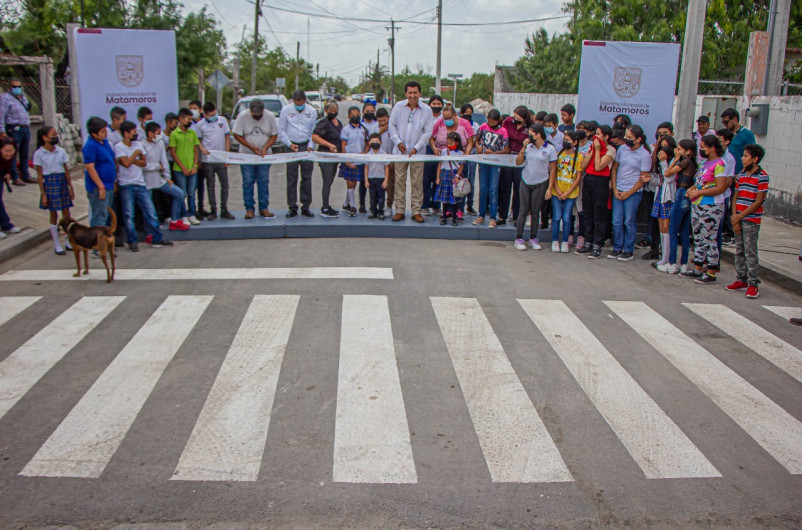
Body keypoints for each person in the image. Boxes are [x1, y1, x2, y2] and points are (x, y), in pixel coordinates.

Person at [114, 121, 172, 251]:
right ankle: (132, 241)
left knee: (150, 211)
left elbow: (143, 163)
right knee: (129, 214)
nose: (135, 134)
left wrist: (131, 159)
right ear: (126, 134)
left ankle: (157, 237)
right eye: (133, 132)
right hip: (126, 184)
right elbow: (126, 163)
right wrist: (135, 155)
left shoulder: (138, 144)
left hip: (140, 183)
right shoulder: (118, 147)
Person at [681, 134, 730, 283]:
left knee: (710, 238)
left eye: (703, 147)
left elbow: (720, 187)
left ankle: (711, 272)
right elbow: (700, 182)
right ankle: (697, 267)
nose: (701, 150)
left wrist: (699, 192)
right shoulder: (704, 164)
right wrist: (692, 189)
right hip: (698, 203)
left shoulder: (720, 164)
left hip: (712, 205)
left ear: (712, 148)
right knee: (698, 236)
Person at [726, 144, 768, 299]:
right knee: (739, 249)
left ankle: (753, 283)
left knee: (750, 250)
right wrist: (734, 216)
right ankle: (740, 278)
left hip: (751, 219)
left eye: (745, 156)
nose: (742, 159)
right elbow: (735, 196)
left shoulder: (762, 176)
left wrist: (740, 216)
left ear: (755, 159)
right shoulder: (742, 174)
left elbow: (758, 201)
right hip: (739, 217)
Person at [388, 81, 434, 223]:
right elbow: (392, 125)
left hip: (418, 153)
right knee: (399, 181)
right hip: (400, 151)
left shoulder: (426, 110)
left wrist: (416, 147)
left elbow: (428, 132)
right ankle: (400, 210)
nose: (412, 95)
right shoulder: (399, 107)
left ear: (419, 93)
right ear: (406, 94)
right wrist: (398, 142)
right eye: (410, 93)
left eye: (415, 93)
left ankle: (416, 211)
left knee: (417, 182)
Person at [609, 125, 651, 261]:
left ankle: (628, 250)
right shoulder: (622, 149)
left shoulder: (644, 155)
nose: (626, 139)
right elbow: (614, 169)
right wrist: (615, 188)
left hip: (633, 192)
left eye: (629, 137)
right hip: (619, 189)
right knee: (616, 221)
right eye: (626, 136)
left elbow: (643, 179)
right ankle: (617, 247)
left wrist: (628, 192)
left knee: (629, 221)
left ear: (638, 139)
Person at [232, 99, 278, 219]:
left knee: (263, 181)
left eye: (259, 114)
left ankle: (264, 207)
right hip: (247, 155)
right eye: (254, 115)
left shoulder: (270, 116)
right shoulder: (242, 116)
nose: (257, 116)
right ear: (250, 111)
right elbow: (236, 134)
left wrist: (265, 147)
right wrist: (251, 147)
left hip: (264, 156)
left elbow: (274, 135)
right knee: (248, 181)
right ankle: (249, 208)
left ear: (263, 110)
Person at [657, 140, 698, 274]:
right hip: (688, 195)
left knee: (673, 229)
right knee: (684, 231)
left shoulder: (685, 161)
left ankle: (672, 263)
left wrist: (676, 160)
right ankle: (684, 263)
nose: (677, 152)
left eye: (680, 149)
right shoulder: (692, 163)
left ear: (688, 151)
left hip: (681, 193)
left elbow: (668, 173)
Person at [513, 124, 556, 250]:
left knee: (536, 212)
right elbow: (518, 162)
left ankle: (533, 238)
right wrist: (523, 148)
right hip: (526, 181)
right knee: (523, 211)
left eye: (531, 134)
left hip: (541, 182)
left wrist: (550, 188)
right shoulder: (528, 147)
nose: (529, 136)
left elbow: (553, 170)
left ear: (538, 134)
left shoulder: (550, 149)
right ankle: (519, 238)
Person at [430, 103, 474, 223]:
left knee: (459, 188)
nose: (447, 120)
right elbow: (431, 138)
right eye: (445, 118)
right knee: (445, 191)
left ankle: (459, 212)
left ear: (455, 115)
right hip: (445, 162)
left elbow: (471, 141)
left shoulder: (464, 124)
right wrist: (435, 148)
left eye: (449, 118)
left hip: (459, 160)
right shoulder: (439, 123)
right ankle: (446, 212)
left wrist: (466, 154)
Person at [577, 125, 616, 259]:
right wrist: (593, 151)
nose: (596, 137)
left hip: (601, 181)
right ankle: (588, 241)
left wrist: (598, 150)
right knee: (587, 211)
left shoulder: (611, 150)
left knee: (599, 213)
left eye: (599, 134)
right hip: (589, 179)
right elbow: (583, 165)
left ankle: (597, 243)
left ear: (606, 137)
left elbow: (599, 166)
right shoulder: (592, 147)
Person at [142, 121, 189, 231]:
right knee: (148, 208)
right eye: (157, 133)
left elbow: (164, 161)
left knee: (179, 193)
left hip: (160, 179)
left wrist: (168, 178)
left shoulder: (160, 143)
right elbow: (144, 165)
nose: (159, 136)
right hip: (146, 182)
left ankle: (174, 220)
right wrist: (157, 166)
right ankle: (150, 230)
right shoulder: (142, 145)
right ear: (150, 133)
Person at [33, 125, 73, 254]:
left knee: (66, 213)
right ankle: (57, 243)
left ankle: (68, 240)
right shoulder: (39, 154)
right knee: (53, 213)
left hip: (61, 181)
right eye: (53, 135)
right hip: (50, 182)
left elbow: (66, 169)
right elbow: (39, 175)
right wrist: (43, 194)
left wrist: (70, 186)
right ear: (44, 137)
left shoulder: (60, 151)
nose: (56, 137)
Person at [279, 89, 318, 218]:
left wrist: (310, 146)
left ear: (304, 100)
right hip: (291, 146)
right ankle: (292, 206)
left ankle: (306, 206)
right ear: (293, 100)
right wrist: (289, 144)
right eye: (296, 102)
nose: (299, 104)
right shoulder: (286, 110)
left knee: (306, 178)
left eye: (301, 102)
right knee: (291, 178)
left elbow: (313, 131)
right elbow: (282, 130)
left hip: (306, 146)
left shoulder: (311, 111)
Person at [195, 102, 233, 221]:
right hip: (208, 160)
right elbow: (198, 142)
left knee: (225, 185)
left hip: (221, 158)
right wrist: (201, 156)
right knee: (210, 185)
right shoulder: (200, 125)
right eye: (211, 115)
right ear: (205, 115)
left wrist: (227, 155)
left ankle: (224, 209)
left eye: (215, 114)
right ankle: (213, 210)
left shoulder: (222, 121)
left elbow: (227, 138)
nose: (214, 116)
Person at [473, 109, 510, 229]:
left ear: (498, 121)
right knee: (483, 188)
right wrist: (478, 147)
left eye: (493, 123)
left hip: (495, 162)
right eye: (489, 122)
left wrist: (494, 152)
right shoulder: (483, 127)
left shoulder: (503, 131)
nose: (490, 125)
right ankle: (481, 215)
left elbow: (507, 149)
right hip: (483, 161)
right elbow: (476, 140)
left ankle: (493, 217)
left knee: (493, 189)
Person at [82, 117, 117, 231]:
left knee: (106, 214)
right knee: (99, 216)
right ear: (94, 133)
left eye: (105, 130)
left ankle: (104, 242)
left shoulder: (104, 142)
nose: (105, 133)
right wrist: (100, 186)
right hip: (99, 186)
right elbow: (90, 167)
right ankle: (97, 244)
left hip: (109, 184)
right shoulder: (90, 146)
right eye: (102, 131)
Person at [550, 131, 583, 252]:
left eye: (568, 140)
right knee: (556, 216)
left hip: (570, 193)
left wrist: (568, 192)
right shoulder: (559, 154)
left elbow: (578, 177)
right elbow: (553, 173)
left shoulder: (578, 157)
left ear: (574, 142)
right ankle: (554, 241)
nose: (565, 142)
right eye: (565, 140)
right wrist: (557, 189)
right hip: (557, 191)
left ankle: (564, 241)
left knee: (567, 217)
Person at [498, 106, 531, 226]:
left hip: (520, 158)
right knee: (504, 187)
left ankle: (517, 216)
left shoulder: (529, 128)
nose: (516, 119)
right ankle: (502, 216)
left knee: (518, 189)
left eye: (519, 118)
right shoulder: (508, 122)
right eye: (515, 116)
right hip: (507, 156)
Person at [169, 108, 201, 225]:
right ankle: (183, 215)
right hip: (179, 169)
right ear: (181, 119)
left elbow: (195, 150)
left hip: (192, 168)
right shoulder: (174, 134)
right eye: (188, 119)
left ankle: (192, 214)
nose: (190, 122)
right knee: (182, 193)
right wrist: (182, 167)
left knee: (192, 192)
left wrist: (195, 165)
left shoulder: (192, 132)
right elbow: (173, 152)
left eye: (191, 119)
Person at [312, 99, 343, 218]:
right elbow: (315, 137)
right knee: (327, 181)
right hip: (326, 156)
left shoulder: (338, 123)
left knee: (330, 182)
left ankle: (327, 204)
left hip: (335, 157)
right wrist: (329, 145)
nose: (333, 112)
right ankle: (325, 207)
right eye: (331, 111)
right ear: (326, 111)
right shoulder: (324, 122)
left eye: (335, 111)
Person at [0, 78, 35, 185]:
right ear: (10, 87)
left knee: (24, 153)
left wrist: (22, 98)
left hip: (25, 127)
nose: (17, 89)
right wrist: (2, 131)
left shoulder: (22, 97)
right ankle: (15, 177)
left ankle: (26, 175)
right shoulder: (5, 98)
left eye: (19, 87)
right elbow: (1, 115)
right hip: (14, 128)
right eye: (15, 87)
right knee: (13, 153)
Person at [650, 137, 678, 268]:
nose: (663, 150)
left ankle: (667, 257)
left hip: (668, 196)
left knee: (666, 227)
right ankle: (663, 256)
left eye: (666, 147)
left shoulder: (673, 161)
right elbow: (660, 179)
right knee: (661, 226)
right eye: (661, 147)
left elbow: (670, 177)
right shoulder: (661, 163)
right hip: (659, 194)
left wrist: (664, 163)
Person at [340, 106, 369, 216]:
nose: (356, 117)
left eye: (358, 115)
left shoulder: (364, 129)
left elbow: (367, 144)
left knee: (354, 183)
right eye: (353, 116)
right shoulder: (346, 130)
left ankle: (346, 204)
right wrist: (346, 161)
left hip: (359, 161)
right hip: (348, 161)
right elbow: (343, 146)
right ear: (348, 116)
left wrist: (364, 153)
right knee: (350, 182)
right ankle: (353, 207)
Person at [434, 132, 465, 226]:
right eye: (448, 143)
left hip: (454, 176)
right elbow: (440, 164)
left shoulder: (460, 153)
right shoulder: (444, 152)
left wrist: (457, 176)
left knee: (454, 199)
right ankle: (444, 217)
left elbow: (461, 166)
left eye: (451, 143)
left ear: (457, 143)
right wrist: (437, 177)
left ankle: (454, 218)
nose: (449, 145)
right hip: (444, 175)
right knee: (444, 199)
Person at [422, 95, 444, 216]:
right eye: (433, 104)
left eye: (438, 104)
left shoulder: (444, 119)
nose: (436, 106)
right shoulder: (426, 117)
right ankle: (425, 205)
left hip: (441, 151)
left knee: (438, 179)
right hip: (427, 149)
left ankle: (436, 205)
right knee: (426, 179)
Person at [359, 99, 381, 213]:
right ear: (363, 112)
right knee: (364, 181)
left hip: (376, 155)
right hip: (364, 154)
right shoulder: (360, 124)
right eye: (367, 111)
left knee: (376, 183)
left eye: (372, 111)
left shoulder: (377, 124)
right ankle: (361, 204)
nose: (369, 113)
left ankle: (376, 206)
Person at [720, 108, 756, 174]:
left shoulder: (747, 134)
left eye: (726, 122)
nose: (725, 125)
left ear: (735, 119)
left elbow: (751, 155)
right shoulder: (725, 134)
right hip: (724, 172)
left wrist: (743, 172)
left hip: (738, 173)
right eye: (723, 122)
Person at [0, 137, 23, 237]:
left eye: (11, 150)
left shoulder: (10, 156)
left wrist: (7, 173)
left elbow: (8, 165)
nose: (9, 153)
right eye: (6, 151)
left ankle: (6, 225)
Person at [364, 133, 389, 220]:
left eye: (377, 141)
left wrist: (386, 180)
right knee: (372, 197)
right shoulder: (368, 155)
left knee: (381, 197)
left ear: (381, 143)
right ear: (369, 143)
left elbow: (386, 167)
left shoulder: (384, 154)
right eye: (373, 141)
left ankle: (381, 212)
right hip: (371, 178)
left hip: (381, 179)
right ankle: (373, 211)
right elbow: (366, 167)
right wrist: (366, 180)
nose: (375, 143)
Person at [459, 103, 478, 215]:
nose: (468, 114)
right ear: (461, 113)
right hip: (460, 156)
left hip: (471, 155)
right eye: (466, 112)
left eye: (470, 113)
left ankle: (469, 205)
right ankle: (458, 207)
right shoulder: (458, 124)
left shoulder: (475, 126)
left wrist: (471, 143)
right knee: (460, 181)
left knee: (470, 181)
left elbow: (476, 140)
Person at [376, 107, 395, 215]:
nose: (382, 123)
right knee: (378, 184)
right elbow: (372, 141)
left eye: (384, 120)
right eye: (380, 121)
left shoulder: (392, 129)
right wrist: (380, 132)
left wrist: (392, 160)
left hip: (390, 160)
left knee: (390, 185)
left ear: (388, 118)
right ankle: (378, 206)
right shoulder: (375, 128)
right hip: (378, 161)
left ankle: (389, 206)